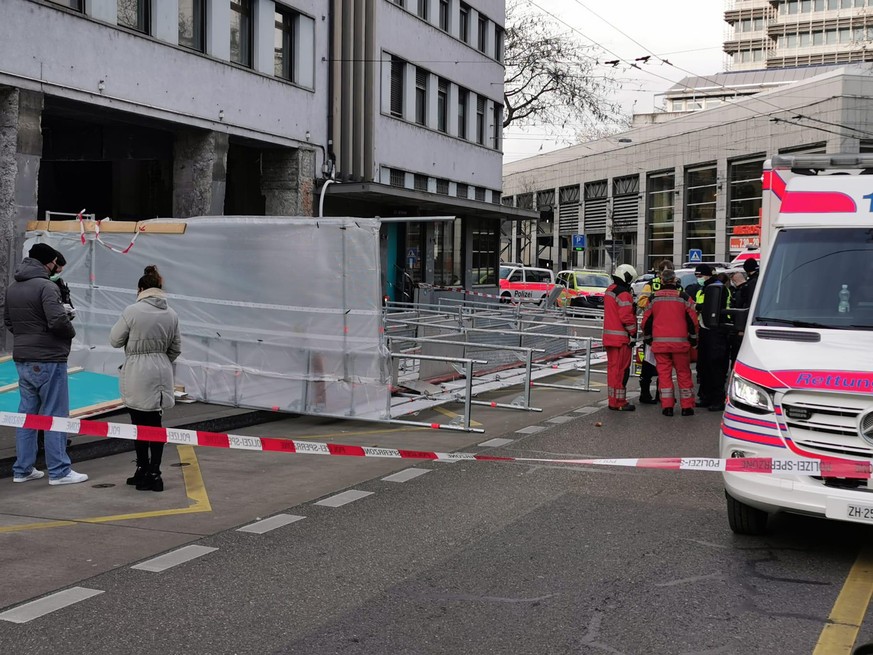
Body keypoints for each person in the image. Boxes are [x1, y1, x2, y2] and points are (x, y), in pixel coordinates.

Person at [4, 243, 87, 485]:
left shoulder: (12, 287)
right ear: (48, 262)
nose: (56, 268)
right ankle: (60, 471)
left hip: (23, 357)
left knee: (27, 416)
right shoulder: (46, 287)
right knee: (55, 415)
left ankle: (23, 469)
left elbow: (9, 321)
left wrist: (27, 336)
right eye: (55, 263)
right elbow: (57, 320)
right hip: (49, 358)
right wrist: (70, 328)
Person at [110, 265, 182, 492]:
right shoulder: (171, 313)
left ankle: (142, 468)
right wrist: (161, 360)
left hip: (137, 371)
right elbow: (176, 348)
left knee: (138, 423)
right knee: (156, 424)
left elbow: (115, 340)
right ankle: (155, 472)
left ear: (140, 289)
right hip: (161, 369)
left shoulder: (132, 311)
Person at [641, 268, 699, 417]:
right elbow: (693, 320)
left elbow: (646, 321)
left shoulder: (653, 298)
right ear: (674, 280)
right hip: (681, 344)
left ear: (661, 280)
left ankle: (667, 407)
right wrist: (693, 339)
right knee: (684, 374)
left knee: (664, 375)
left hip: (660, 344)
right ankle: (687, 407)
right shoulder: (684, 297)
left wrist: (648, 338)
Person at [636, 259, 673, 404]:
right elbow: (641, 302)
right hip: (654, 329)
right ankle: (645, 394)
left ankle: (660, 394)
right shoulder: (651, 285)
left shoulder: (677, 286)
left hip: (667, 330)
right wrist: (655, 302)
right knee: (649, 363)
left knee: (664, 366)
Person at [603, 264, 638, 411]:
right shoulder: (623, 294)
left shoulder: (610, 290)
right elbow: (626, 317)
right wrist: (633, 332)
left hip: (610, 338)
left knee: (613, 371)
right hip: (621, 340)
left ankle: (613, 400)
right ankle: (619, 402)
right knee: (621, 372)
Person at [696, 265, 731, 411]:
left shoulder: (718, 288)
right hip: (704, 329)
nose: (698, 279)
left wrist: (699, 307)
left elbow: (714, 306)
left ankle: (717, 399)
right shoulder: (705, 288)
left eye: (700, 276)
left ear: (708, 275)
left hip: (717, 330)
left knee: (715, 365)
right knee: (703, 365)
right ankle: (705, 396)